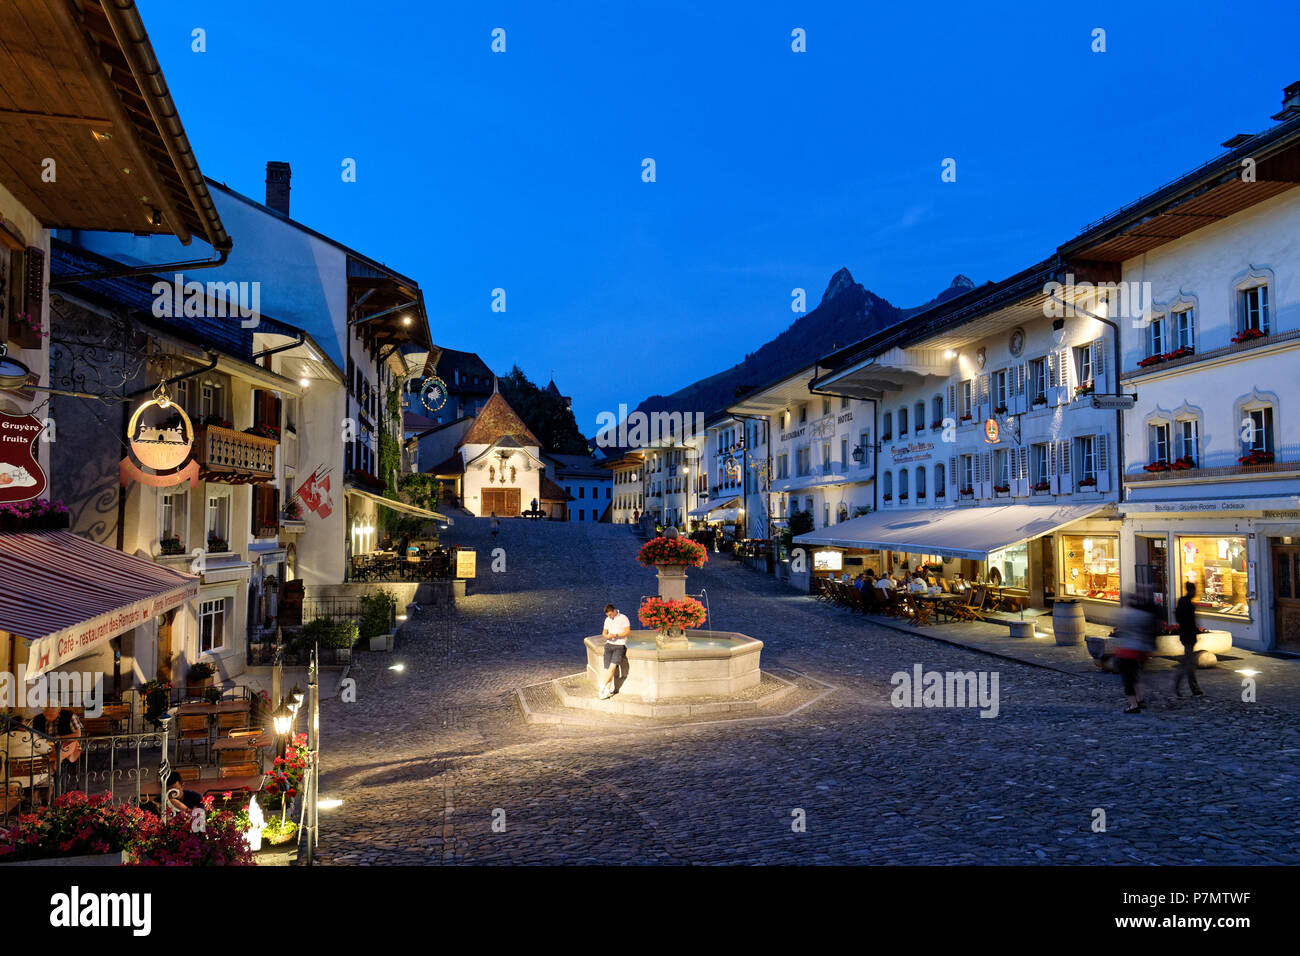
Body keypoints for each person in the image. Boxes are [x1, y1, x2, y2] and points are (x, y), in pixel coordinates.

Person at [1113, 593, 1158, 713]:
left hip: (1127, 651)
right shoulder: (1144, 616)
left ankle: (1133, 705)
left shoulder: (1123, 615)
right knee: (1136, 676)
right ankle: (1140, 699)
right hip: (1141, 650)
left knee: (1128, 679)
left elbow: (1118, 630)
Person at [1174, 582, 1205, 698]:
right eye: (1195, 590)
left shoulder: (1181, 602)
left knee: (1189, 663)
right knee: (1187, 664)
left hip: (1185, 635)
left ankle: (1194, 688)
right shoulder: (1188, 604)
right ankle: (1182, 686)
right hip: (1188, 636)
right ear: (1191, 590)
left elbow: (1178, 618)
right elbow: (1190, 622)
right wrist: (1194, 634)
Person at [597, 604, 631, 700]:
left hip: (619, 646)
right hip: (608, 646)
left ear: (614, 611)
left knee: (612, 669)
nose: (609, 617)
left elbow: (627, 632)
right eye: (608, 615)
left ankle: (602, 687)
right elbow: (604, 633)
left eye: (611, 614)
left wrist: (616, 635)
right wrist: (607, 636)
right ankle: (607, 690)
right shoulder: (607, 620)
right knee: (607, 670)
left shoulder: (623, 618)